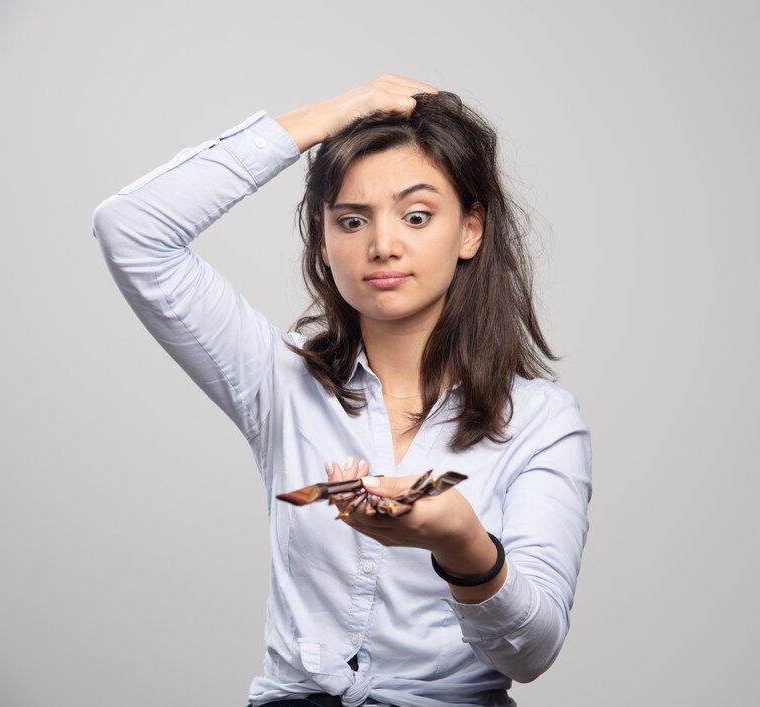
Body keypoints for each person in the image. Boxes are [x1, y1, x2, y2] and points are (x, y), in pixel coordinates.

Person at [91, 74, 592, 707]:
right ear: (323, 241)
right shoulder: (279, 381)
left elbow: (532, 652)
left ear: (470, 231)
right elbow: (129, 229)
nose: (383, 245)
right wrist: (328, 119)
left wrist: (463, 545)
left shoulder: (543, 423)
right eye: (352, 219)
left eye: (416, 215)